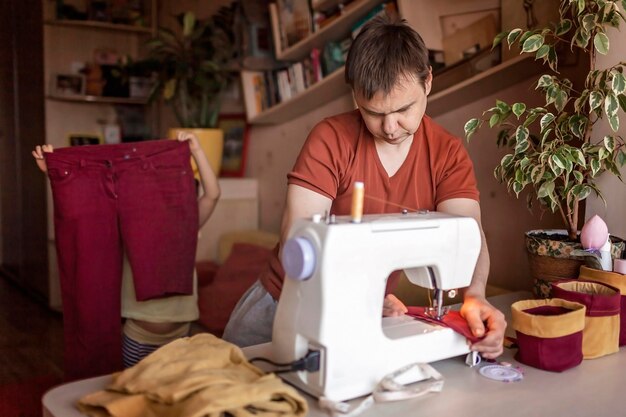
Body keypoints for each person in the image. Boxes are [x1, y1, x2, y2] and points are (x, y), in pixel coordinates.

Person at [223, 14, 506, 359]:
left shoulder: (446, 154)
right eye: (372, 112)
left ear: (428, 81)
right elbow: (297, 244)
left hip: (364, 317)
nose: (389, 127)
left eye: (403, 109)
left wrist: (475, 294)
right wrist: (362, 297)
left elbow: (468, 234)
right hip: (280, 307)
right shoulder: (329, 140)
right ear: (355, 94)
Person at [32, 132, 220, 368]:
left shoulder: (188, 225)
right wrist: (56, 172)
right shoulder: (132, 226)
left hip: (180, 336)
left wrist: (197, 152)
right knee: (131, 394)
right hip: (139, 338)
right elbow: (92, 208)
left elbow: (213, 195)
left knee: (169, 396)